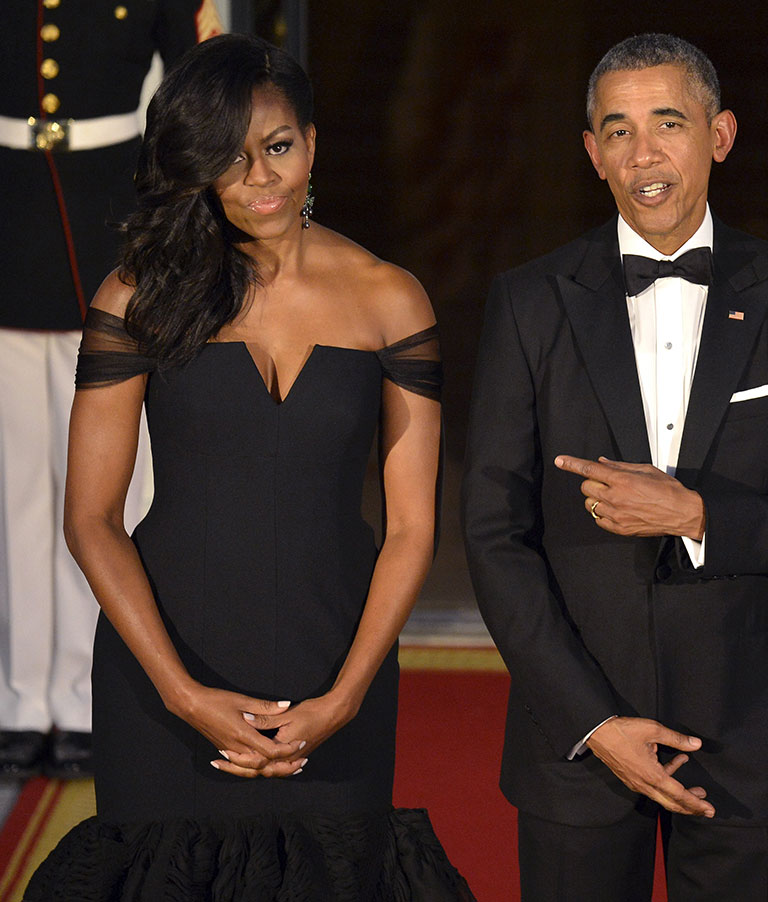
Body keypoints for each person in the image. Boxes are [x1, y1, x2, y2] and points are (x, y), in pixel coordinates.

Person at [25, 33, 473, 901]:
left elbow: (414, 526)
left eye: (277, 147)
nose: (261, 178)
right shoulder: (137, 295)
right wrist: (182, 693)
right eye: (231, 158)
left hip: (334, 667)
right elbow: (91, 519)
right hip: (163, 673)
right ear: (195, 164)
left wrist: (346, 697)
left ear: (313, 142)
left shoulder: (391, 298)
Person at [462, 32, 768, 902]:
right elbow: (494, 534)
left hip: (746, 741)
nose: (642, 153)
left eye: (668, 123)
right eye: (617, 130)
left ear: (719, 135)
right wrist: (592, 721)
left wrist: (696, 516)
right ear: (591, 154)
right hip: (576, 741)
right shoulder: (529, 302)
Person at [0, 0, 222, 779]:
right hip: (10, 218)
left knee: (111, 491)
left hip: (113, 216)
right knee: (18, 492)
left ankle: (99, 697)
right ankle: (24, 701)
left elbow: (196, 87)